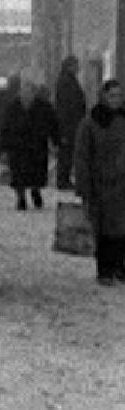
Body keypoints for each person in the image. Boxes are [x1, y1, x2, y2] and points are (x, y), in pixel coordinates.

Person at [73, 79, 125, 285]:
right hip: (101, 186)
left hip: (123, 186)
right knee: (104, 231)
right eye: (112, 96)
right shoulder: (91, 122)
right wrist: (84, 186)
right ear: (103, 97)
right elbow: (82, 155)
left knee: (122, 230)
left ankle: (121, 267)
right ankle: (105, 269)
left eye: (119, 96)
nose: (116, 100)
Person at [0, 76, 60, 211]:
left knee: (36, 173)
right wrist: (4, 148)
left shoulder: (44, 107)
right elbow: (5, 127)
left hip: (36, 146)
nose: (26, 95)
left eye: (29, 92)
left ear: (34, 93)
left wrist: (56, 141)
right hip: (18, 147)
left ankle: (35, 191)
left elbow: (53, 124)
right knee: (18, 174)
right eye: (23, 92)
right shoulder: (12, 107)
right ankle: (21, 197)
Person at [54, 55, 87, 191]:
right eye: (76, 65)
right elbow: (67, 106)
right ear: (70, 66)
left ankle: (64, 179)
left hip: (71, 123)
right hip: (69, 125)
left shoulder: (67, 80)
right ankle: (63, 180)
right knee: (66, 153)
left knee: (68, 153)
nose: (78, 68)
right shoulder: (66, 82)